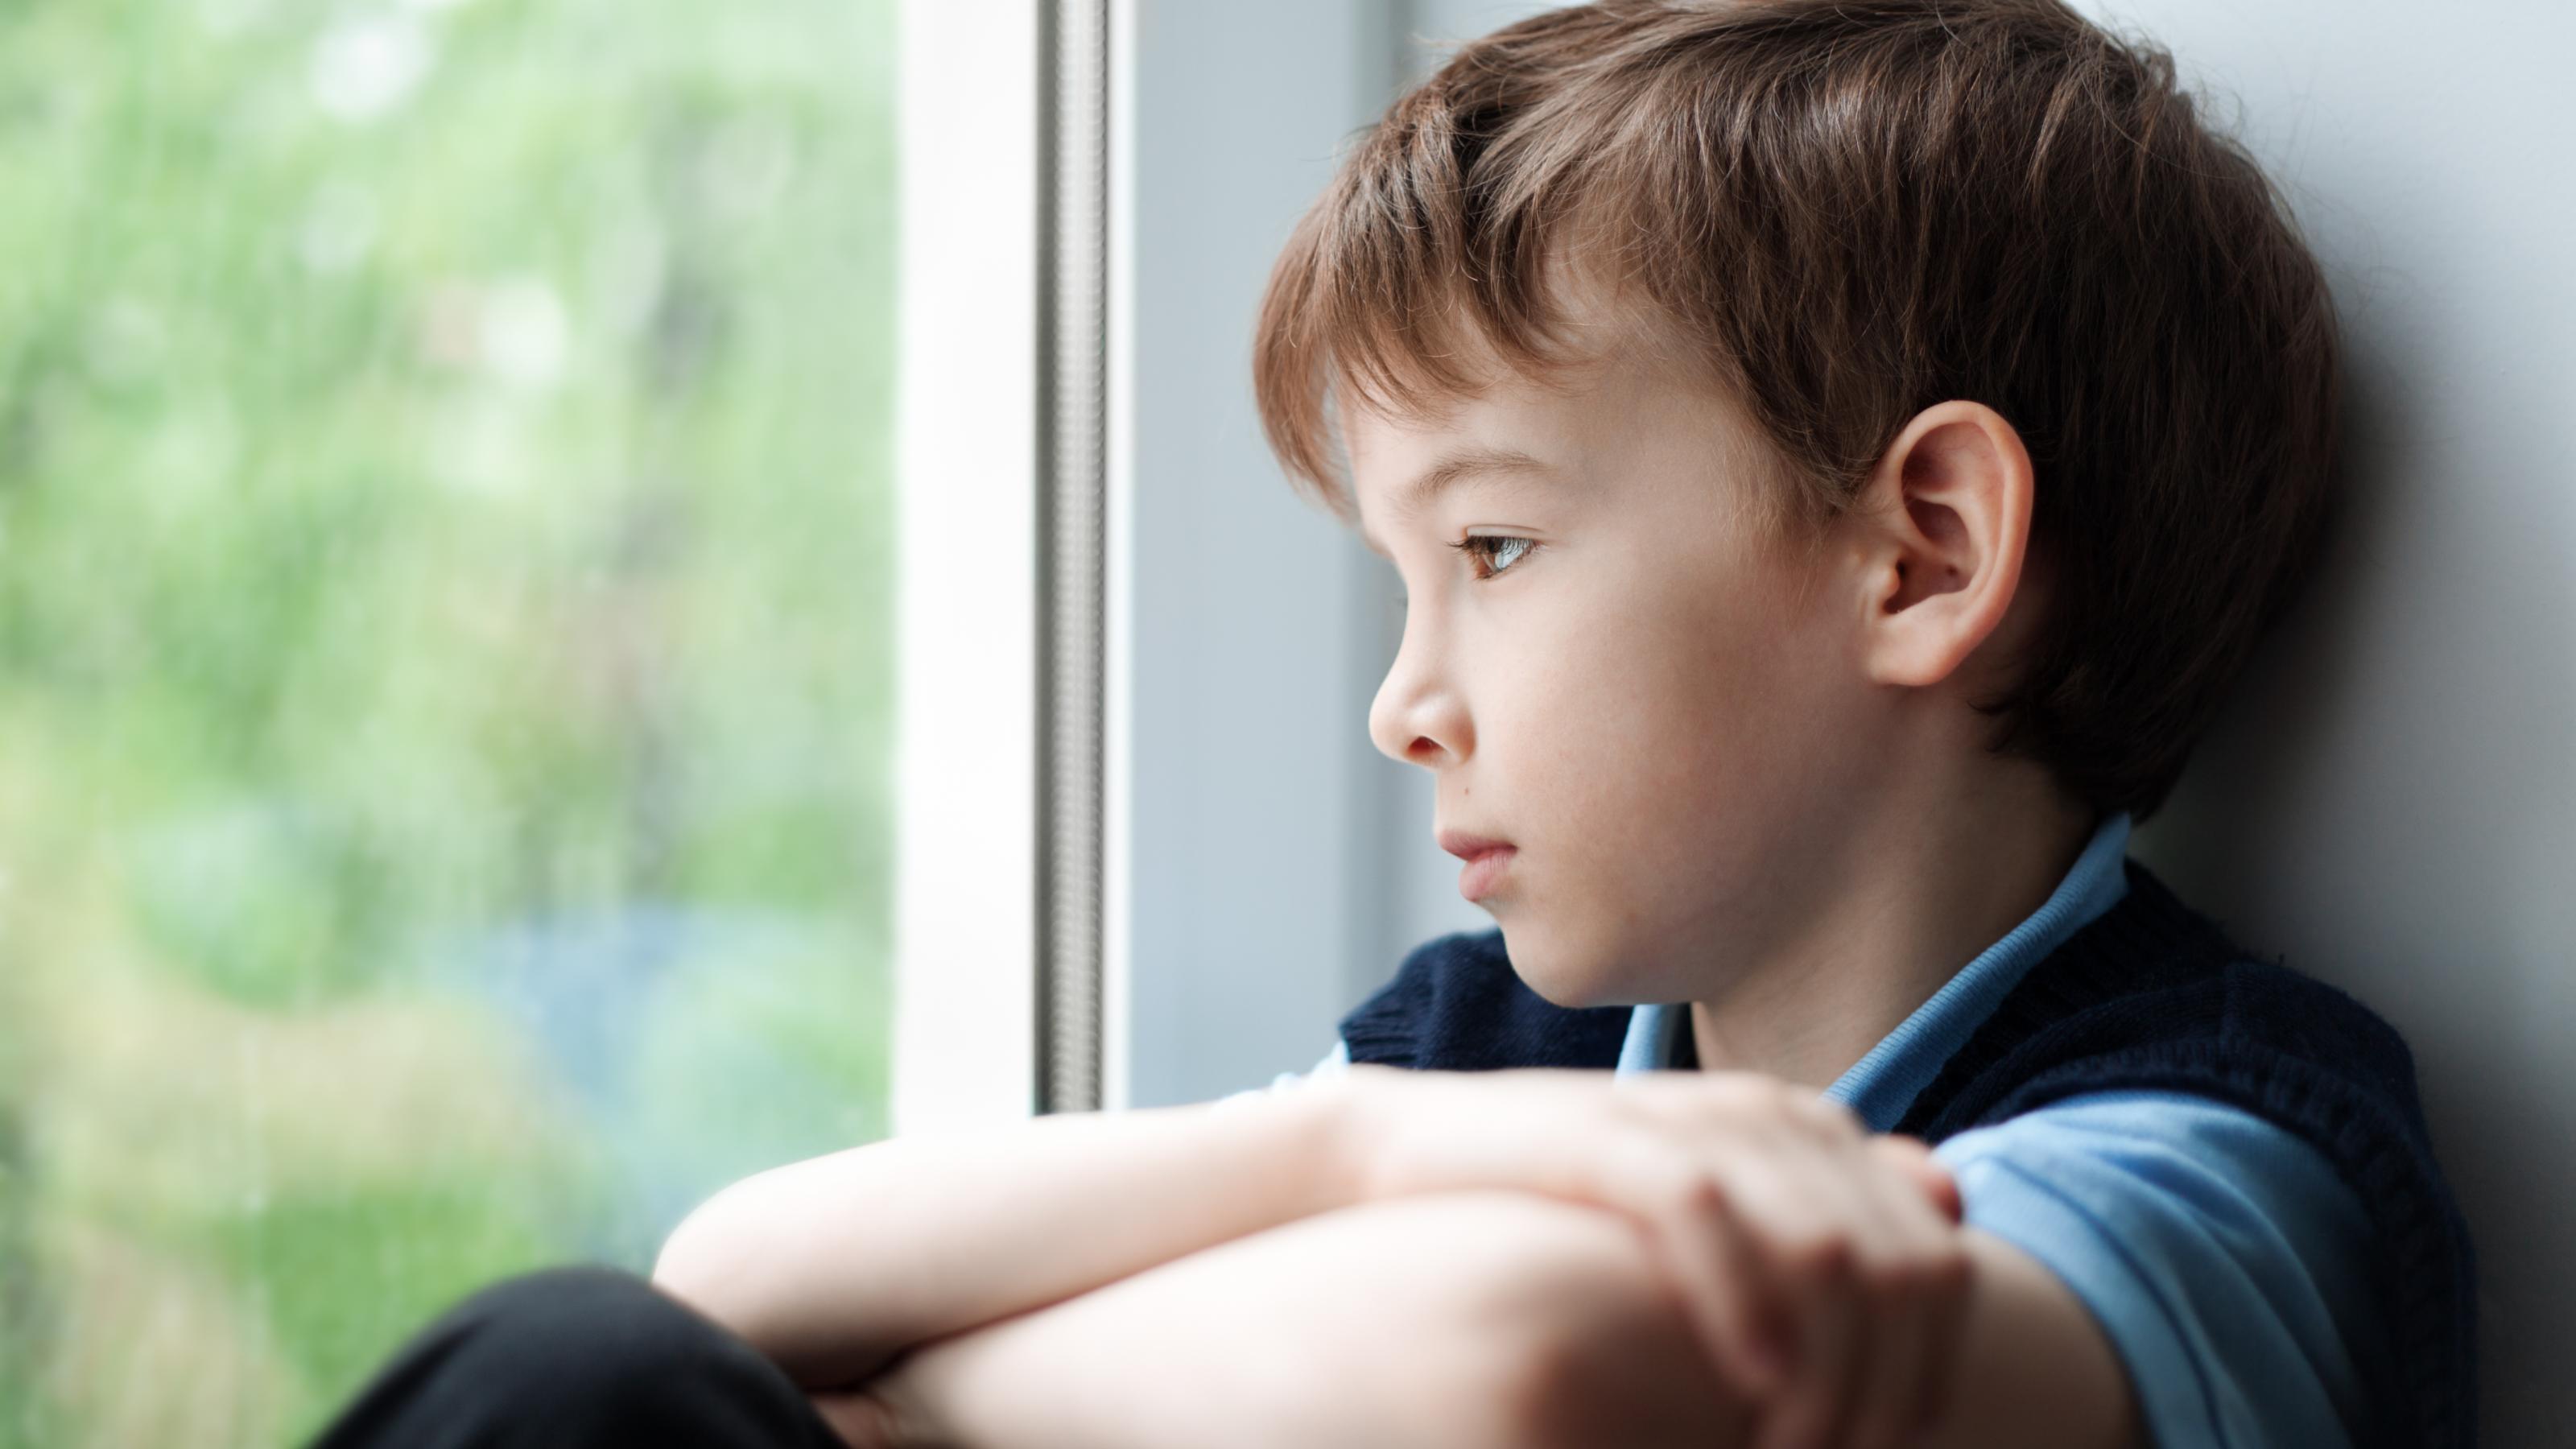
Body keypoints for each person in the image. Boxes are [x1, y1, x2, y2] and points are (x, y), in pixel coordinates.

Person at [308, 1, 2476, 1446]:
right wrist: (1358, 1143)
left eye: (1500, 553)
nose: (1401, 704)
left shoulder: (2209, 1155)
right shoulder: (1469, 1075)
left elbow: (1496, 1378)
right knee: (584, 1370)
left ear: (1916, 552)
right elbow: (736, 1274)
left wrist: (905, 1407)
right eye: (1399, 577)